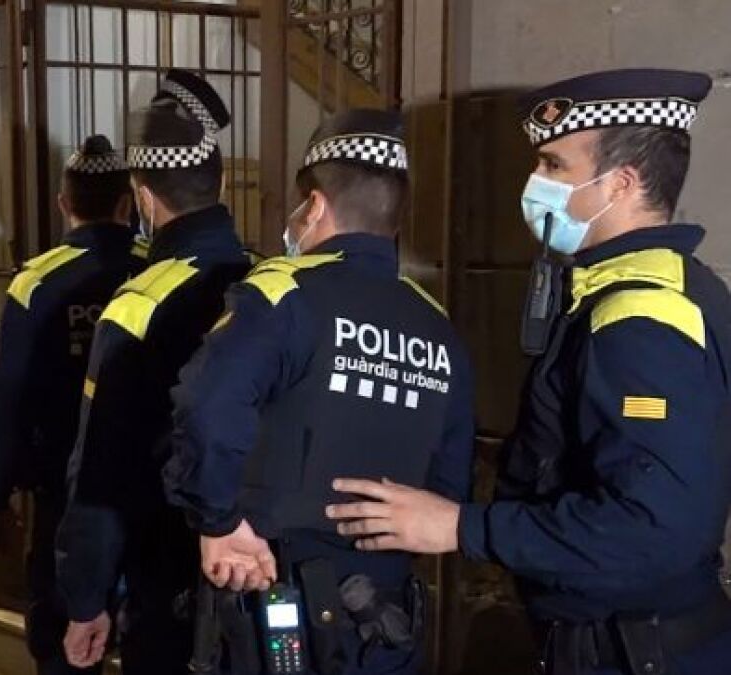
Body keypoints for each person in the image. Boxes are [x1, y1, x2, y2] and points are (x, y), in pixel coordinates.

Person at [327, 69, 731, 675]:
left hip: (630, 652)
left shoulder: (639, 321)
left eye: (554, 165)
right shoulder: (675, 285)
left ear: (622, 183)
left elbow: (652, 529)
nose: (534, 183)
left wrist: (460, 527)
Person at [163, 109, 475, 674]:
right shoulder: (438, 326)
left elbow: (207, 406)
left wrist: (218, 522)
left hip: (274, 600)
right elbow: (450, 481)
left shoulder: (283, 295)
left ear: (314, 207)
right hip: (385, 620)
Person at [55, 75, 252, 674]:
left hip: (168, 580)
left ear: (142, 198)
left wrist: (85, 598)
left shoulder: (137, 308)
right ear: (221, 181)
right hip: (261, 578)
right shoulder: (273, 288)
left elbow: (100, 474)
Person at [0, 135, 145, 675]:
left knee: (65, 643)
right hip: (151, 497)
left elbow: (7, 399)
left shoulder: (37, 282)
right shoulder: (156, 271)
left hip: (65, 499)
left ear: (64, 203)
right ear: (127, 204)